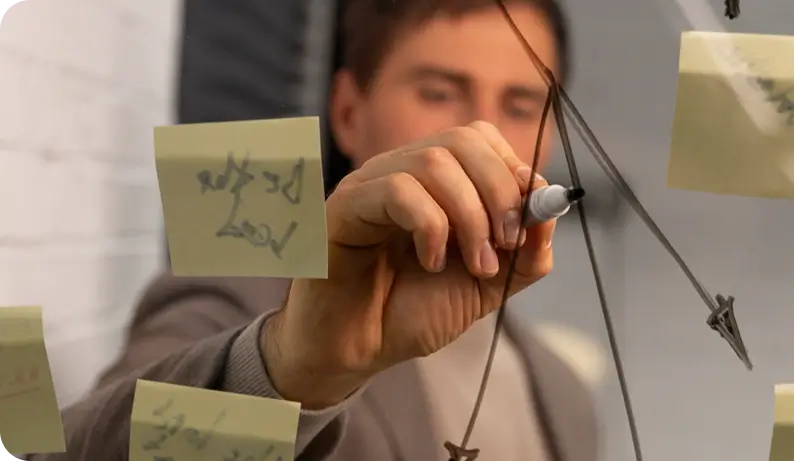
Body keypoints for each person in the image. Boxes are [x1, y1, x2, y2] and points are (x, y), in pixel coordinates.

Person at [29, 0, 598, 460]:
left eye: (521, 107)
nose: (482, 134)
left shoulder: (562, 395)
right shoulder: (244, 302)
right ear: (347, 113)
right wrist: (291, 372)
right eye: (438, 93)